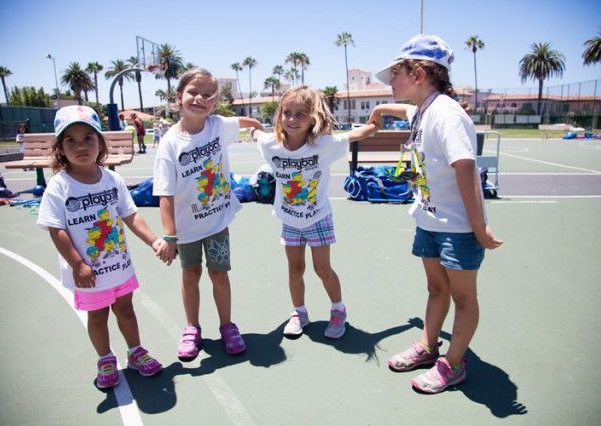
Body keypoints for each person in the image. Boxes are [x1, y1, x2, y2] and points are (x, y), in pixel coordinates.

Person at [368, 34, 503, 394]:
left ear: (419, 74)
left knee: (462, 298)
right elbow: (402, 110)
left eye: (395, 74)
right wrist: (380, 110)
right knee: (435, 287)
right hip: (428, 220)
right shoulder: (423, 108)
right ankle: (429, 346)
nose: (390, 82)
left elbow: (466, 169)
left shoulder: (445, 114)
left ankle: (454, 364)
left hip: (457, 228)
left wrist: (480, 227)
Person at [36, 105, 166, 389]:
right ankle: (105, 358)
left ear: (100, 143)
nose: (81, 146)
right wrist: (78, 265)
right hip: (89, 273)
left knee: (127, 311)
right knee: (97, 317)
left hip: (119, 267)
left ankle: (136, 352)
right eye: (71, 140)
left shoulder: (112, 179)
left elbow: (131, 215)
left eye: (88, 138)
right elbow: (56, 230)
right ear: (60, 148)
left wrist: (154, 240)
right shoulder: (59, 186)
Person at [251, 85, 378, 339]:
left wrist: (376, 118)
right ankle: (299, 312)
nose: (292, 119)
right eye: (287, 112)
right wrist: (251, 125)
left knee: (323, 269)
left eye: (300, 114)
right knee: (295, 269)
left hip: (318, 217)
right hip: (289, 219)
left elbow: (360, 133)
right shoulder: (270, 144)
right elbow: (255, 132)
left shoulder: (324, 145)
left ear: (313, 118)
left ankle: (338, 309)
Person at [153, 68, 263, 359]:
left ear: (214, 104)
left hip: (216, 222)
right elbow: (165, 194)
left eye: (207, 95)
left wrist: (259, 131)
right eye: (193, 92)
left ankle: (227, 326)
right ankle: (192, 328)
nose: (199, 99)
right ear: (179, 97)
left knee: (219, 274)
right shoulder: (169, 144)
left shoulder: (219, 126)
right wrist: (170, 235)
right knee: (190, 274)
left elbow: (248, 122)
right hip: (186, 228)